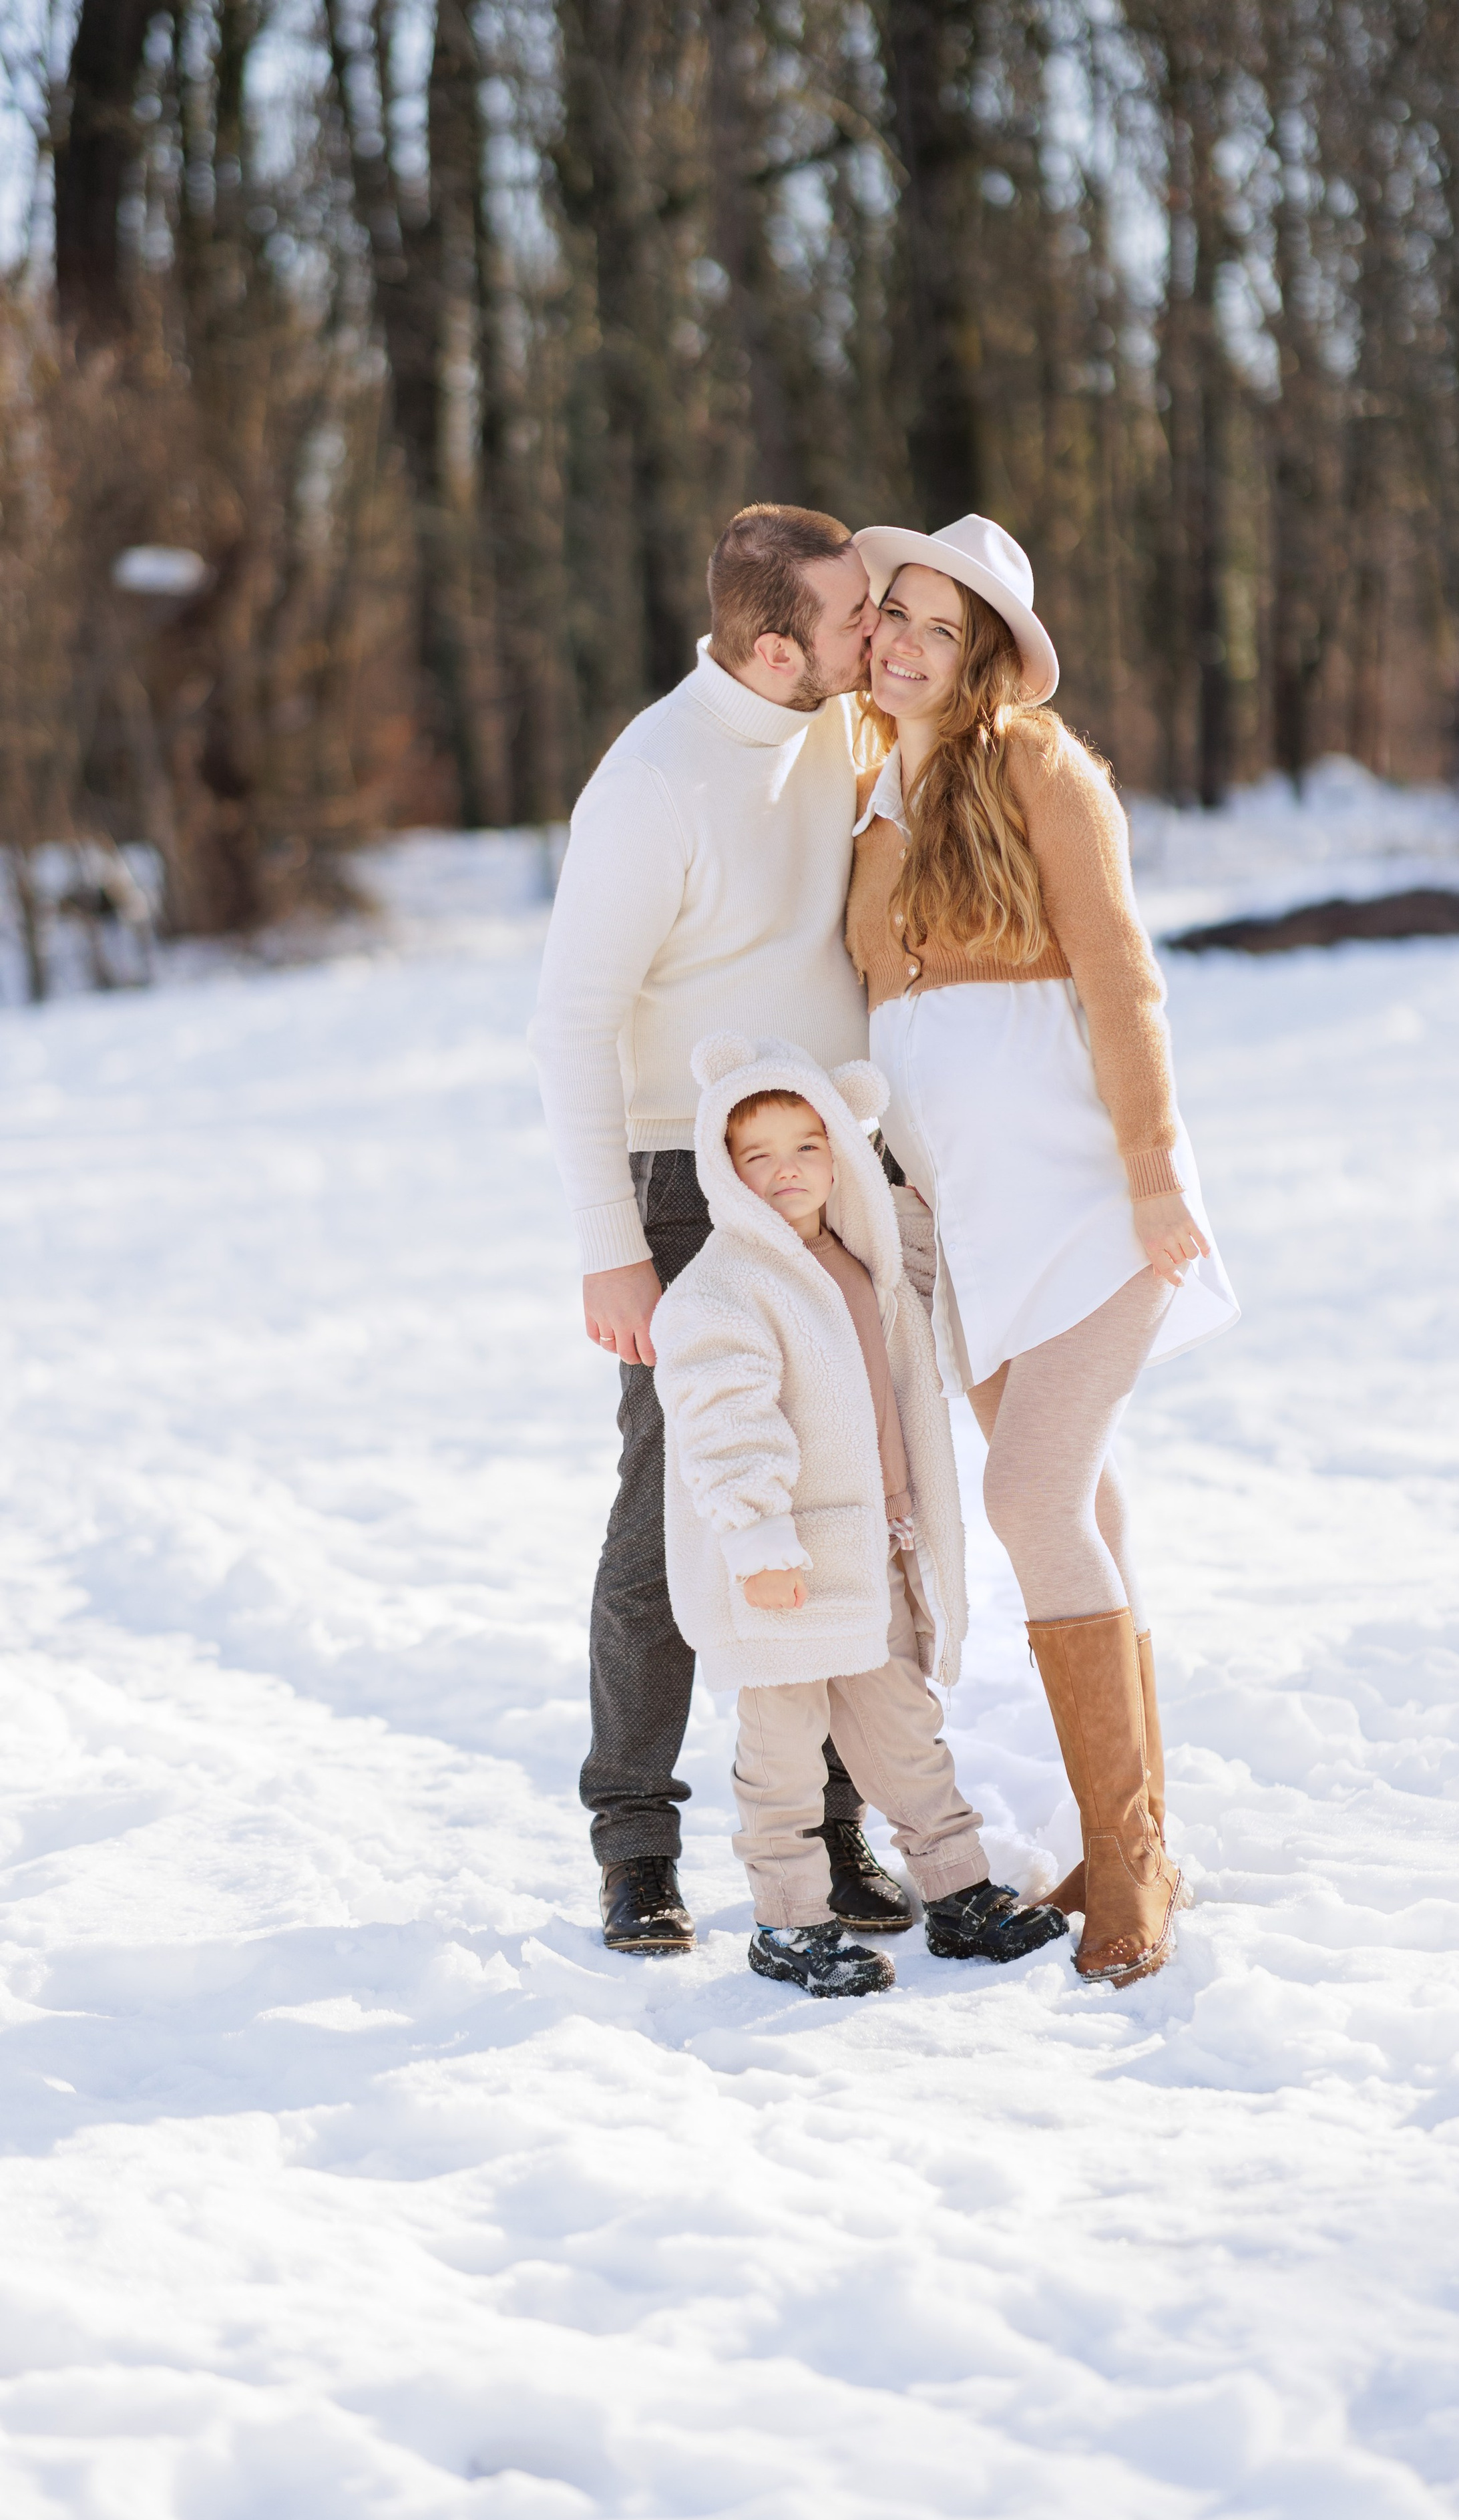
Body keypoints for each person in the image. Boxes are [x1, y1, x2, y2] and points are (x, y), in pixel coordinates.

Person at [528, 504, 933, 1954]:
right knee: (678, 1505)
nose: (873, 630)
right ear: (775, 650)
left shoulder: (835, 729)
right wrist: (609, 1244)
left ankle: (826, 1831)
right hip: (686, 1182)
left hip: (828, 1165)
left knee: (834, 1492)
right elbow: (569, 1022)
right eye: (848, 616)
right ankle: (634, 1844)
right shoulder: (652, 783)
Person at [843, 514, 1241, 1986]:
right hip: (971, 1222)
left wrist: (1149, 1174)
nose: (897, 641)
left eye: (936, 628)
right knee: (1081, 1499)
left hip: (1086, 1199)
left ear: (987, 656)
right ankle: (1122, 1834)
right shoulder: (872, 788)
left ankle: (1129, 1862)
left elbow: (1121, 978)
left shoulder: (1037, 767)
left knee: (1029, 1495)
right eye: (890, 614)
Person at [650, 1031, 1068, 1997]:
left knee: (903, 1730)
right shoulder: (725, 1287)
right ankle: (788, 1921)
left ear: (841, 1147)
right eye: (756, 1155)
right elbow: (726, 1422)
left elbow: (919, 1319)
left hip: (874, 1543)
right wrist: (757, 1540)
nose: (784, 1172)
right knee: (784, 1753)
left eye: (807, 1146)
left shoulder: (856, 1258)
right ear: (722, 1167)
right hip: (784, 1562)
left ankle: (958, 1890)